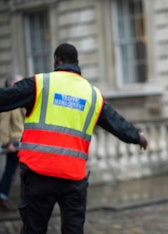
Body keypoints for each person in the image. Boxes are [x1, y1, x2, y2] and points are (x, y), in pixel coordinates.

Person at [0, 43, 148, 233]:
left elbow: (7, 97)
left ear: (56, 60)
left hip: (39, 173)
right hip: (73, 177)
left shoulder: (41, 83)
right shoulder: (92, 95)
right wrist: (137, 136)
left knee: (33, 229)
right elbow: (115, 122)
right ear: (77, 63)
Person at [0, 73, 25, 211]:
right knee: (12, 171)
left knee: (19, 172)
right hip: (14, 144)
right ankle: (3, 197)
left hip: (22, 142)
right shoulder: (9, 101)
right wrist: (6, 143)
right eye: (18, 83)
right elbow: (4, 125)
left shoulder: (19, 99)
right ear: (10, 85)